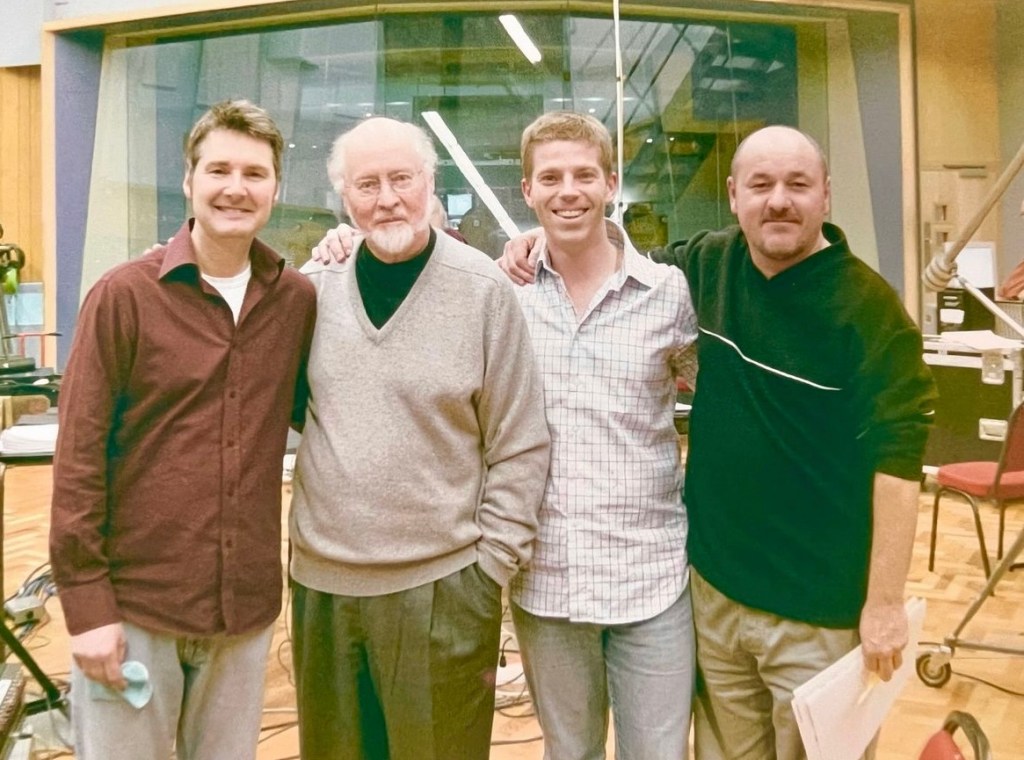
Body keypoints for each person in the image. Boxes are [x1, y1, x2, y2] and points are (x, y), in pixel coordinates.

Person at [499, 124, 937, 759]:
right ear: (734, 195)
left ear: (826, 194)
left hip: (816, 608)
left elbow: (899, 462)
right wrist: (538, 238)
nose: (778, 201)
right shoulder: (706, 266)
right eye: (761, 185)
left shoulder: (870, 311)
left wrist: (886, 603)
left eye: (797, 185)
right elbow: (602, 252)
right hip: (715, 593)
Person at [50, 99, 317, 760]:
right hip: (136, 610)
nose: (236, 188)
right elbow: (79, 458)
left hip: (242, 612)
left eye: (254, 173)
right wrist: (87, 608)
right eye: (219, 170)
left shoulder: (296, 302)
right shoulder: (124, 296)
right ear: (189, 180)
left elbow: (323, 410)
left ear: (275, 189)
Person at [289, 116, 550, 760]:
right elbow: (293, 412)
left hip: (445, 587)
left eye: (401, 179)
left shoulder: (483, 291)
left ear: (430, 183)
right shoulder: (311, 291)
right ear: (344, 197)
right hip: (325, 591)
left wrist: (489, 570)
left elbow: (519, 440)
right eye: (367, 184)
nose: (387, 199)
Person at [503, 111, 698, 760]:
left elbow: (720, 399)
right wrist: (342, 242)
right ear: (528, 191)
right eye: (550, 178)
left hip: (650, 577)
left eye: (584, 175)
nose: (569, 191)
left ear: (611, 183)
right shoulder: (506, 296)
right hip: (546, 581)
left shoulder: (668, 293)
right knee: (570, 753)